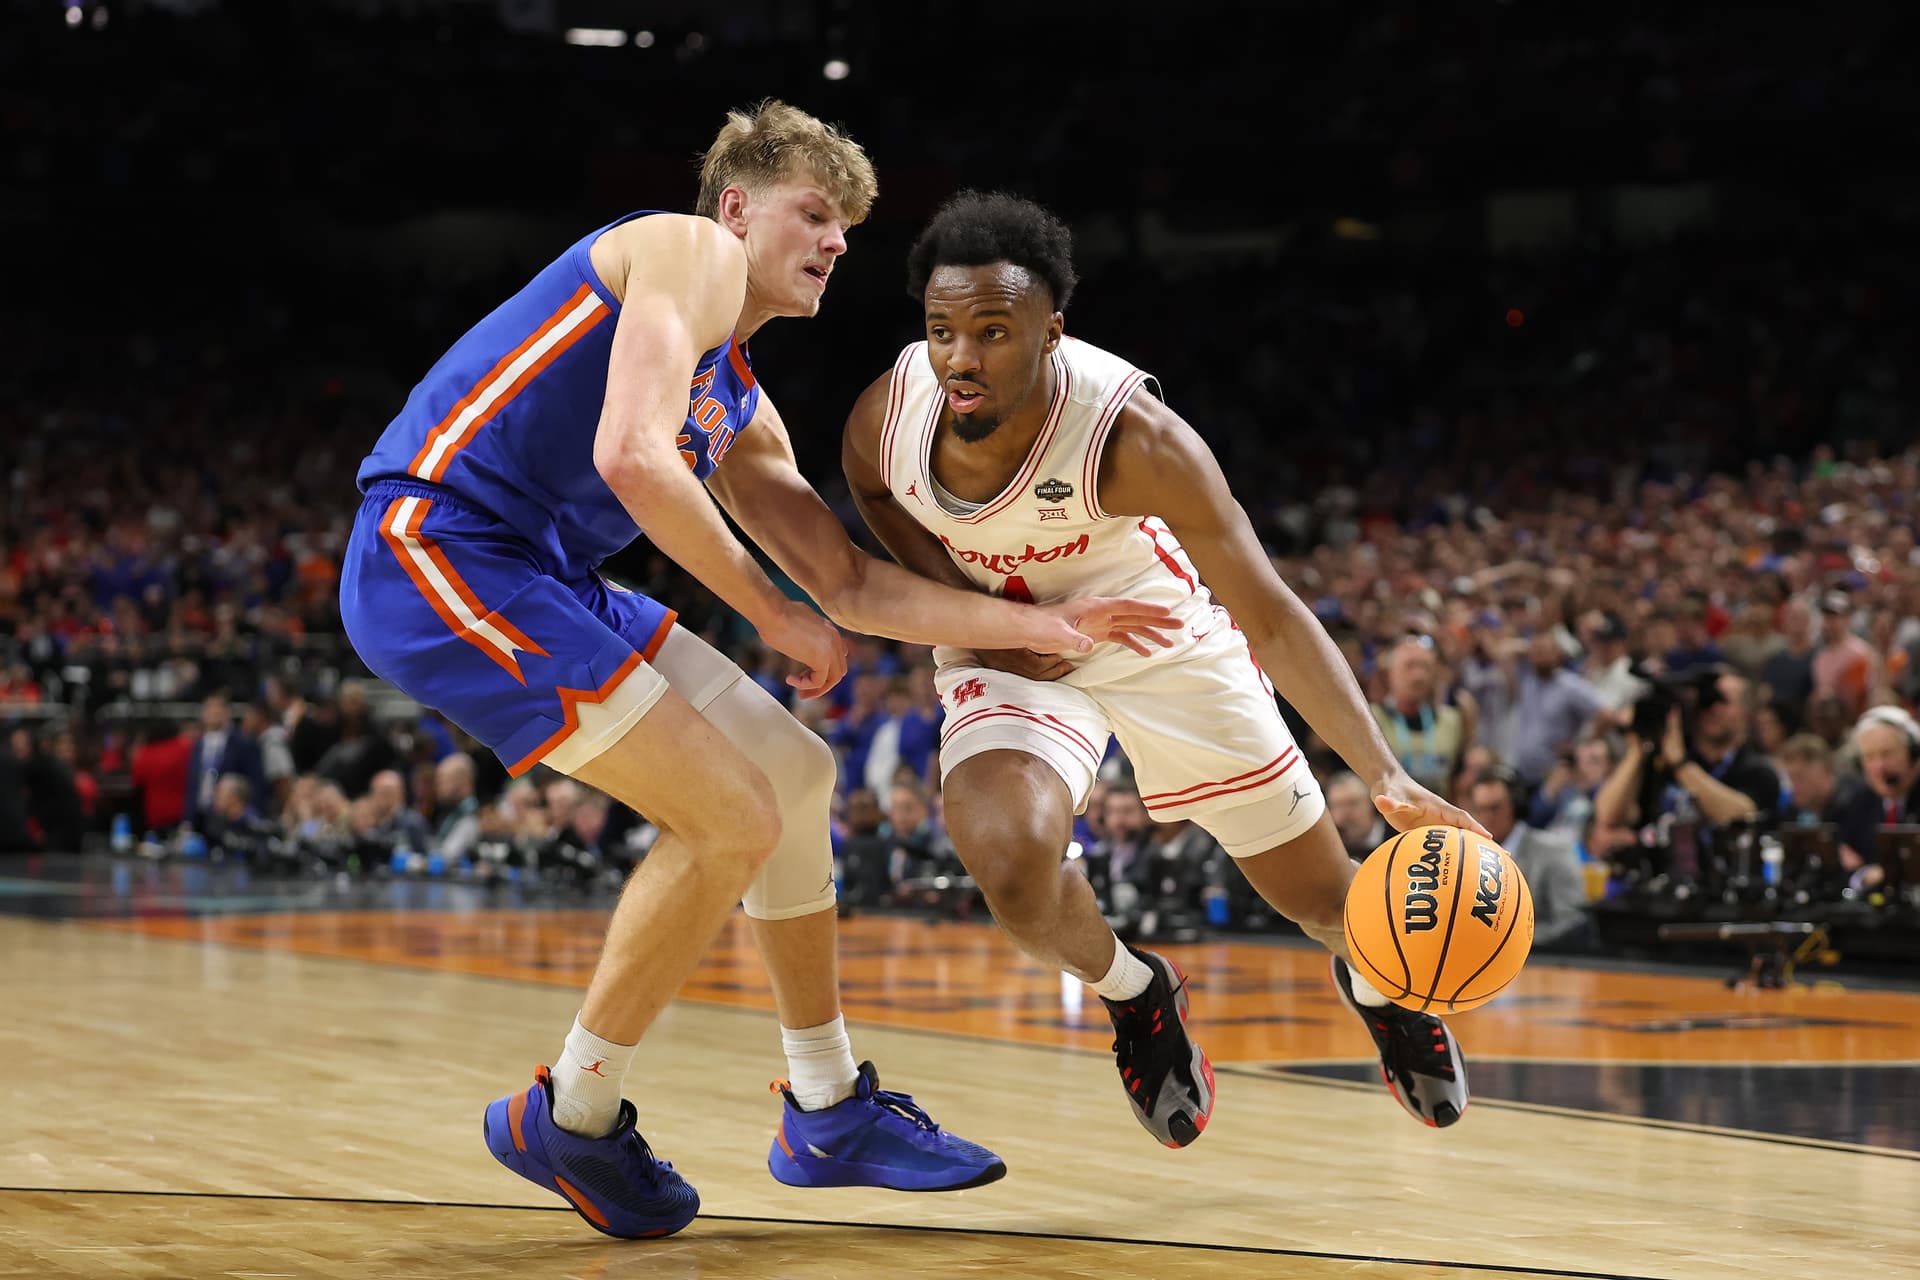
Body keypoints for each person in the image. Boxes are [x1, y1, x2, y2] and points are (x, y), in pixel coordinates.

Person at [337, 104, 1175, 1239]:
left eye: (848, 228)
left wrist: (1043, 624)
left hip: (538, 571)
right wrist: (771, 613)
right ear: (736, 206)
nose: (836, 241)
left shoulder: (730, 389)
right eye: (816, 212)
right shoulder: (683, 252)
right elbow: (631, 458)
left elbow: (850, 581)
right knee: (729, 815)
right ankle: (572, 1112)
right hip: (438, 550)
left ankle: (827, 1110)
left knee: (789, 773)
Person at [841, 191, 1487, 1147]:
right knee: (1011, 868)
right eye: (941, 332)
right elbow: (869, 493)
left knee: (1324, 902)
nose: (962, 359)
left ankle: (1374, 982)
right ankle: (1138, 992)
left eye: (992, 331)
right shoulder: (891, 412)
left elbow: (1268, 608)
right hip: (1014, 643)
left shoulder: (1135, 438)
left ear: (1051, 332)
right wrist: (975, 613)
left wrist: (1384, 775)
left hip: (1152, 634)